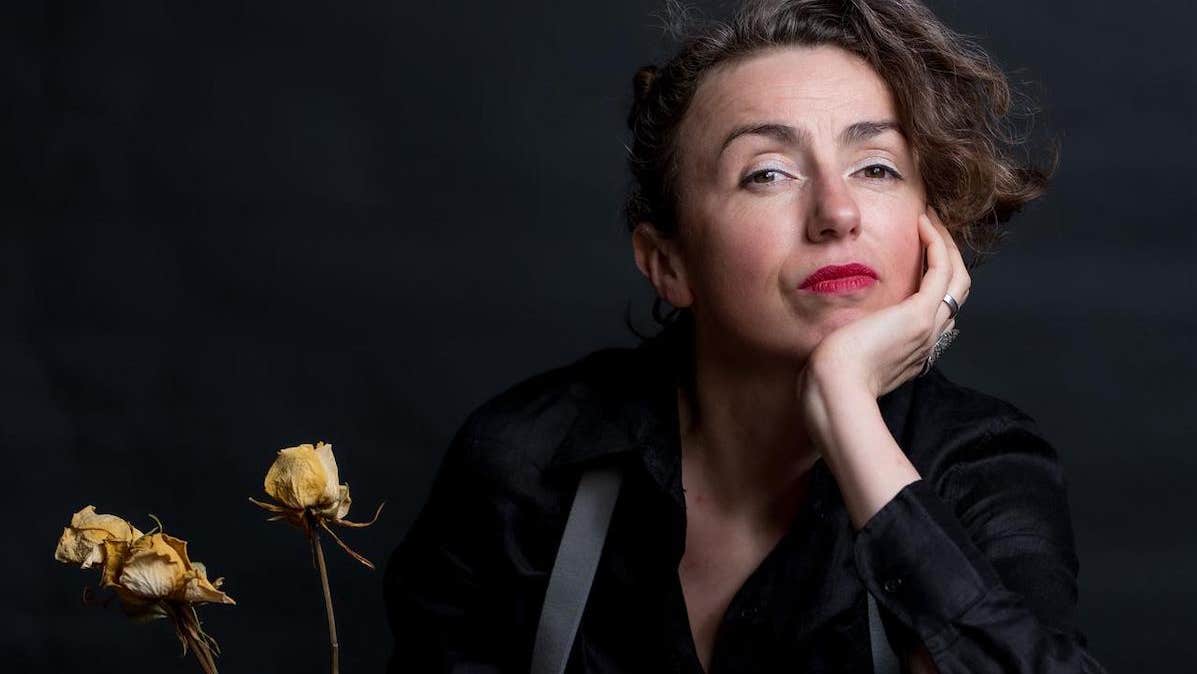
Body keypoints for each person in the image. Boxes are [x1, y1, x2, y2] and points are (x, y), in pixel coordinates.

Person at [384, 0, 1106, 671]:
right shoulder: (528, 461)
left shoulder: (980, 464)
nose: (836, 211)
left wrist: (845, 408)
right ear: (667, 264)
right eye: (767, 174)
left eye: (876, 167)